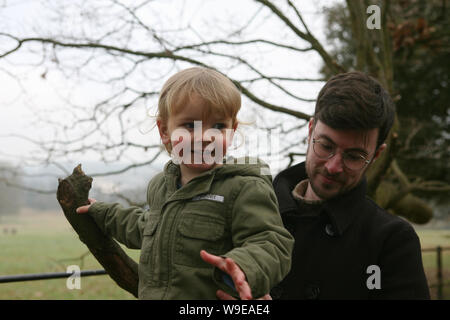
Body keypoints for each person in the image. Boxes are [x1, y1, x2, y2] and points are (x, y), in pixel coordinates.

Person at [76, 67, 294, 300]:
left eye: (219, 126)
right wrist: (103, 212)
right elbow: (147, 228)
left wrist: (243, 267)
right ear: (164, 131)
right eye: (190, 125)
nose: (205, 136)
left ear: (232, 131)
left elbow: (270, 241)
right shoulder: (161, 187)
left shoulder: (243, 188)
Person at [269, 71, 430, 299]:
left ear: (376, 156)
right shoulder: (252, 211)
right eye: (325, 146)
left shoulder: (392, 241)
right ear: (310, 130)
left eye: (354, 156)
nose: (334, 166)